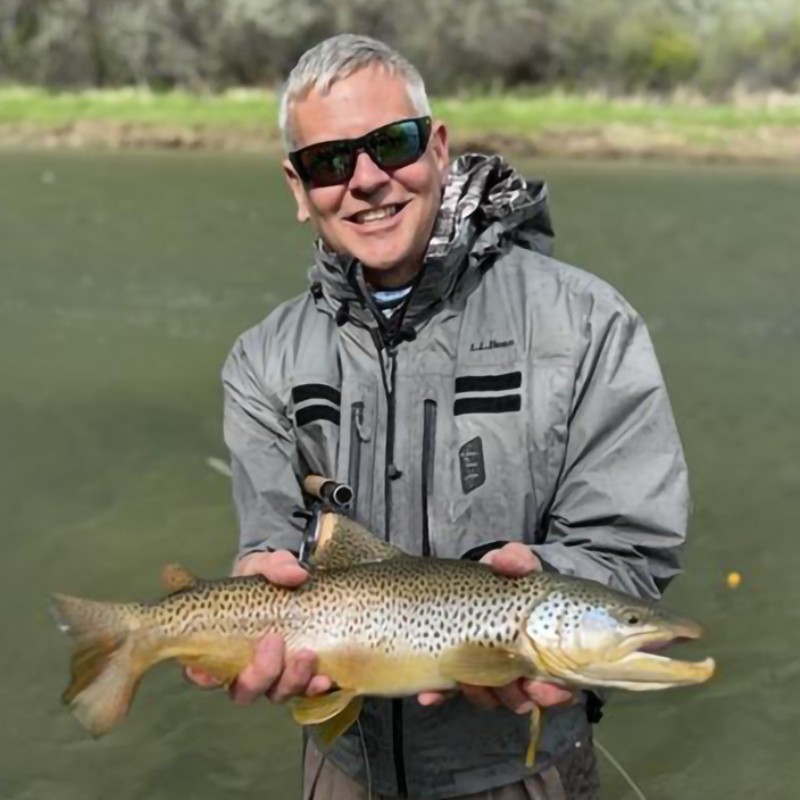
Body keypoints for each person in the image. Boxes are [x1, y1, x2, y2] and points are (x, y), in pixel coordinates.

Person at [188, 33, 689, 800]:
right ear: (298, 187)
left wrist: (550, 598)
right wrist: (257, 582)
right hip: (342, 769)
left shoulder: (587, 324)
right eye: (329, 161)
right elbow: (273, 544)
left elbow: (629, 549)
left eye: (392, 143)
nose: (365, 180)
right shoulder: (261, 362)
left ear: (440, 147)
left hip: (526, 768)